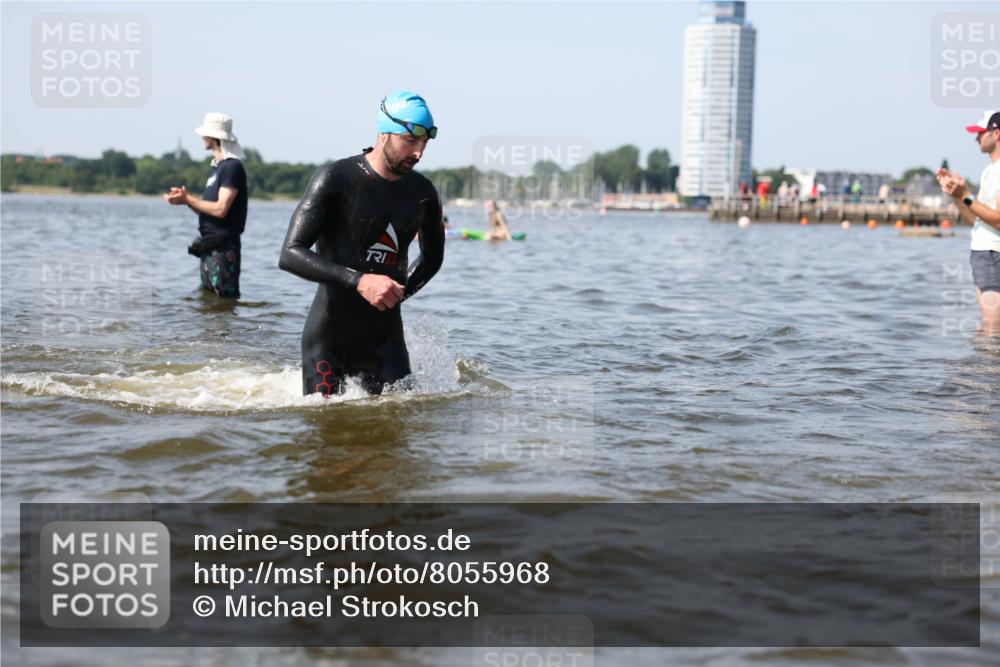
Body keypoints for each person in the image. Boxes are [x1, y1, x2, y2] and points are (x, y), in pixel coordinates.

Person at [278, 91, 445, 396]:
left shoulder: (423, 193)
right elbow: (290, 253)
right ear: (384, 134)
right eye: (411, 140)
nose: (419, 152)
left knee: (399, 433)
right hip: (329, 339)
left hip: (386, 342)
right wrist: (360, 281)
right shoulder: (335, 178)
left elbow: (432, 258)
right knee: (329, 434)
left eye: (425, 143)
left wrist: (399, 293)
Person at [164, 112, 248, 299]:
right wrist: (185, 200)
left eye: (205, 134)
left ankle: (225, 329)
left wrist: (189, 199)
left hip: (224, 247)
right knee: (209, 301)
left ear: (214, 137)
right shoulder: (217, 168)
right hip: (209, 245)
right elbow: (208, 208)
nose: (202, 137)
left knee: (223, 299)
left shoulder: (232, 167)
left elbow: (220, 209)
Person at [937, 109, 1000, 333]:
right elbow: (977, 219)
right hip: (985, 253)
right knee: (990, 326)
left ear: (996, 133)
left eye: (980, 133)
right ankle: (982, 367)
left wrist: (966, 196)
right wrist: (957, 196)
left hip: (993, 254)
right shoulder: (988, 171)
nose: (976, 138)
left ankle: (985, 369)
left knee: (992, 325)